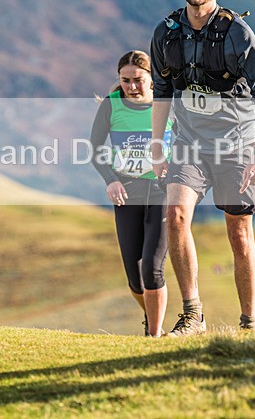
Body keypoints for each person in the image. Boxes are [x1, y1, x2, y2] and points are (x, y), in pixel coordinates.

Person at [149, 0, 255, 336]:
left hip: (235, 144)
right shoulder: (166, 33)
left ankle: (249, 323)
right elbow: (163, 93)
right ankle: (193, 314)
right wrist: (158, 145)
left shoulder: (237, 33)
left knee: (239, 232)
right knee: (176, 215)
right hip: (188, 141)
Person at [90, 50, 173, 337]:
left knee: (153, 269)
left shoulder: (167, 103)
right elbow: (96, 149)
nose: (132, 86)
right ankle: (151, 316)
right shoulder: (112, 105)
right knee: (135, 279)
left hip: (162, 191)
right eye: (125, 80)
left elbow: (190, 142)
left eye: (138, 80)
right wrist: (111, 180)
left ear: (152, 80)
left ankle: (154, 335)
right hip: (126, 193)